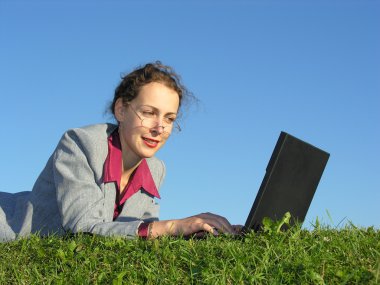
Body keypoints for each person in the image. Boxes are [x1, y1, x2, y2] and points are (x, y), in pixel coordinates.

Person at [0, 61, 238, 242]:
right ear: (121, 110)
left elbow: (141, 230)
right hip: (11, 223)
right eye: (148, 112)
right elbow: (83, 228)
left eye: (169, 118)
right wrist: (174, 226)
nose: (159, 128)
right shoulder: (79, 143)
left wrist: (197, 230)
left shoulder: (156, 169)